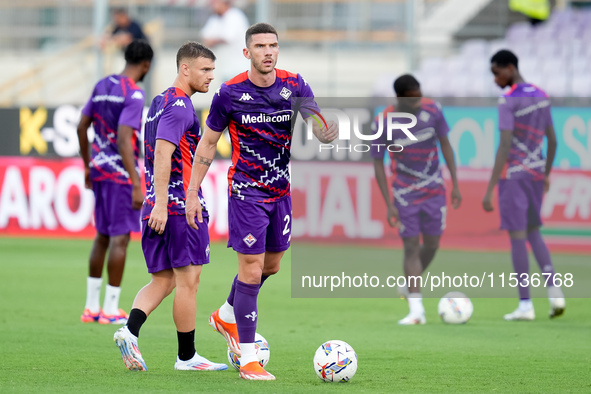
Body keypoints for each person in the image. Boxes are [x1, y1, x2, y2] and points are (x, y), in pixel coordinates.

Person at [185, 23, 338, 380]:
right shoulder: (230, 92)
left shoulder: (295, 85)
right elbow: (207, 144)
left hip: (280, 191)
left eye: (273, 45)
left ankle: (225, 313)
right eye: (260, 46)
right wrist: (192, 191)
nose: (268, 52)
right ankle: (249, 360)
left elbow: (315, 121)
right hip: (246, 192)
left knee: (270, 267)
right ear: (246, 52)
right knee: (251, 269)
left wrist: (324, 131)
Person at [112, 41, 227, 372]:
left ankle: (129, 331)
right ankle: (187, 357)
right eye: (205, 70)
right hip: (178, 207)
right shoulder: (181, 107)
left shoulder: (160, 101)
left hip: (156, 204)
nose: (210, 77)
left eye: (212, 71)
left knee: (163, 280)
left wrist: (156, 203)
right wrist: (164, 203)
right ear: (185, 69)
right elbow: (163, 152)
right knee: (188, 280)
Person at [371, 74, 462, 325]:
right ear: (399, 99)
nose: (418, 103)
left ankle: (410, 281)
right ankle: (416, 310)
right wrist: (389, 203)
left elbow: (446, 145)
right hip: (404, 193)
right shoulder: (383, 121)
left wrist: (455, 183)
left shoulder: (433, 110)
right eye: (412, 101)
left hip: (435, 189)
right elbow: (378, 163)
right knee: (410, 247)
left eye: (419, 97)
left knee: (432, 244)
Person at [484, 49, 565, 321]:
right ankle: (555, 292)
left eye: (497, 73)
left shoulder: (508, 100)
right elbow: (552, 141)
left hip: (514, 176)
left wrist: (490, 187)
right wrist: (547, 173)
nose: (495, 80)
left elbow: (505, 144)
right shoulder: (541, 95)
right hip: (536, 174)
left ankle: (525, 305)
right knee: (534, 232)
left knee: (518, 237)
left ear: (509, 67)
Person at [77, 39, 153, 325]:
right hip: (120, 175)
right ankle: (110, 309)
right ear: (146, 65)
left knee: (103, 235)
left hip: (98, 170)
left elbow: (81, 126)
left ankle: (91, 307)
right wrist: (136, 181)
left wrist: (87, 165)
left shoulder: (101, 85)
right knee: (120, 238)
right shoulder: (133, 93)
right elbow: (124, 138)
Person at [201, 0, 250, 82]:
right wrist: (215, 40)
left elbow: (227, 38)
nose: (212, 5)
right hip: (225, 70)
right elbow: (205, 39)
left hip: (240, 70)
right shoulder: (215, 18)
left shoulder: (235, 16)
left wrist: (214, 40)